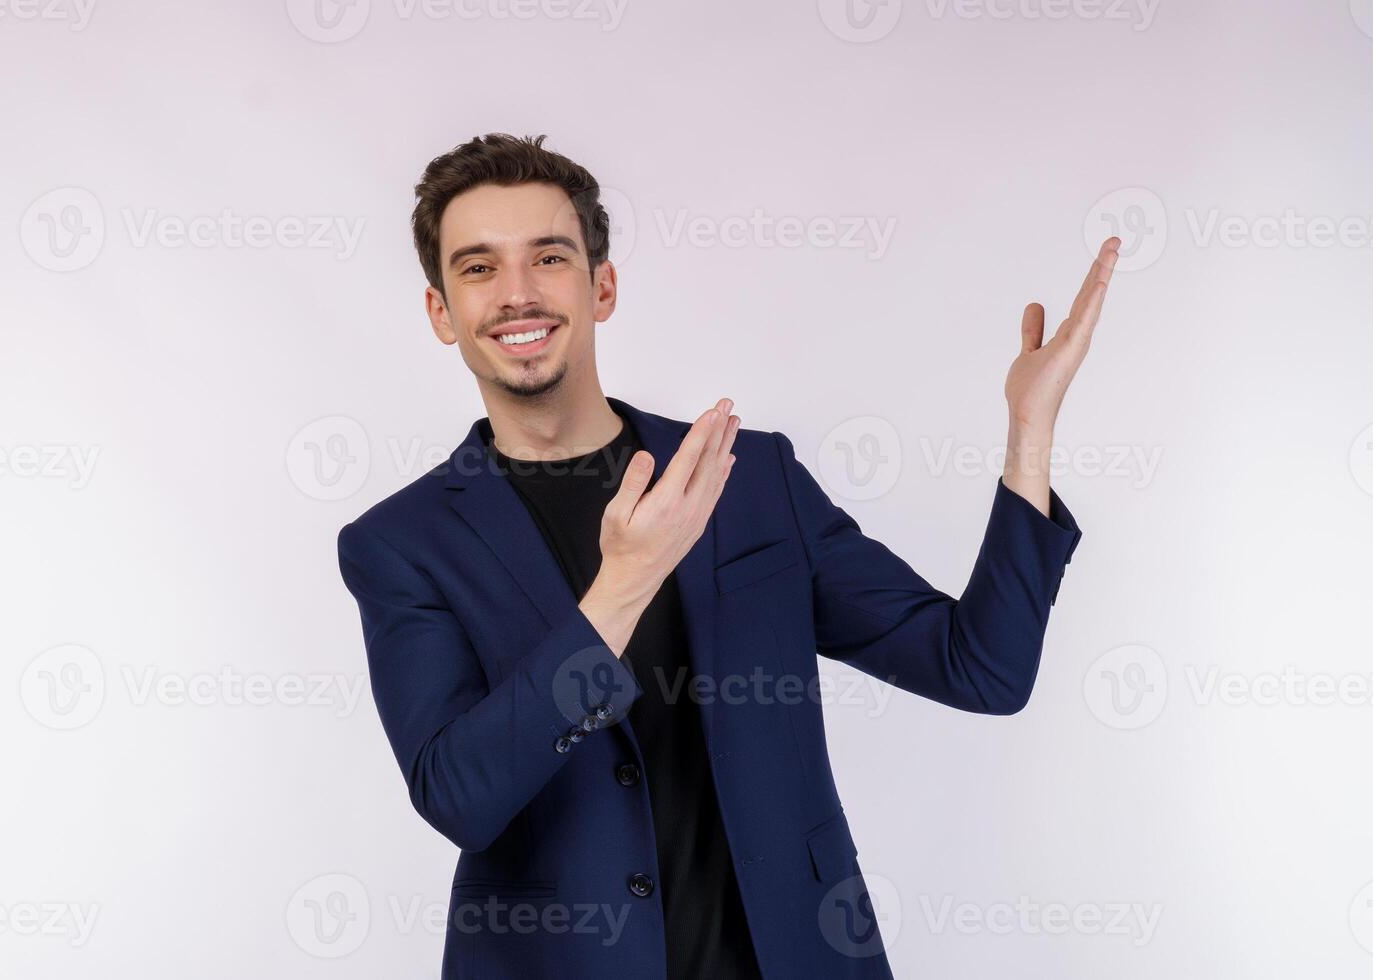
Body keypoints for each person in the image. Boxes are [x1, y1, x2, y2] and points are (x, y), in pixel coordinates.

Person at [336, 132, 1118, 979]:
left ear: (602, 287)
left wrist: (1029, 432)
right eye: (479, 267)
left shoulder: (750, 482)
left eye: (549, 258)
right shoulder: (402, 544)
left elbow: (983, 670)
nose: (517, 295)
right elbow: (460, 796)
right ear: (441, 311)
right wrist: (621, 588)